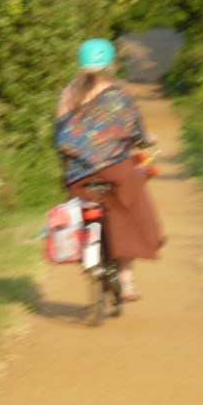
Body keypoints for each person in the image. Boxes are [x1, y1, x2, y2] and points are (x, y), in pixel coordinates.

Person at [53, 38, 164, 301]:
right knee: (130, 211)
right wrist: (148, 140)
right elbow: (136, 132)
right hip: (116, 170)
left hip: (78, 175)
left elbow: (59, 134)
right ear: (112, 64)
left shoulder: (68, 94)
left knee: (81, 212)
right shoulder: (118, 93)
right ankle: (126, 281)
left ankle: (90, 259)